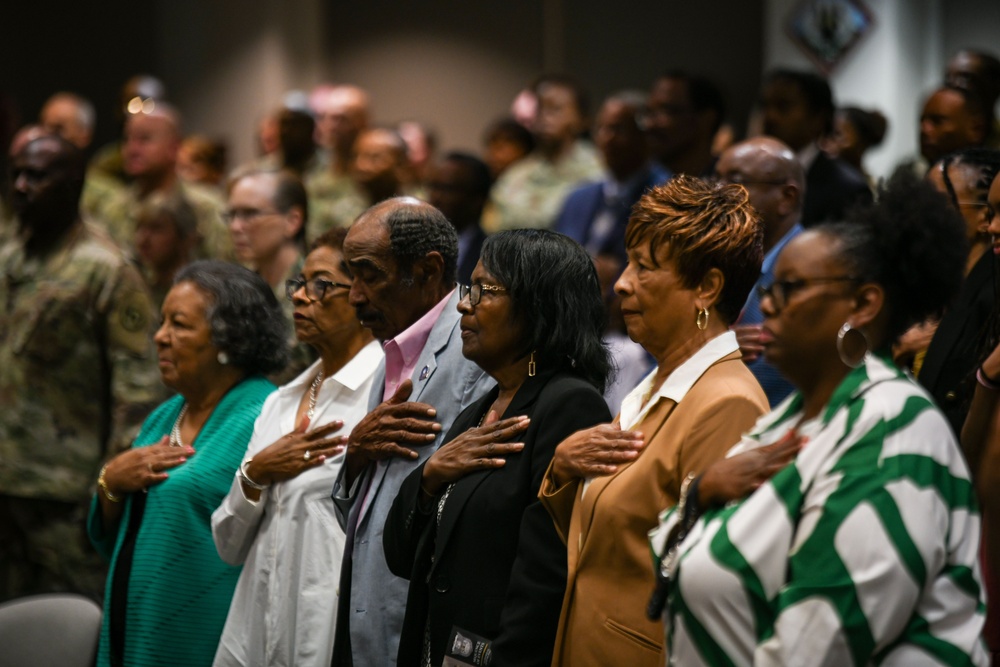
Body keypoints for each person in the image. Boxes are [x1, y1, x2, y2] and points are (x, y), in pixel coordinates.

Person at [651, 172, 986, 665]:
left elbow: (819, 645)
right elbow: (665, 562)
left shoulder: (894, 430)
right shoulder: (791, 417)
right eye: (768, 289)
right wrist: (700, 493)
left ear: (863, 304)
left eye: (789, 289)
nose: (766, 306)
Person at [539, 175, 769, 666]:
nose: (621, 282)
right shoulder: (653, 386)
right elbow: (601, 544)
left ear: (706, 288)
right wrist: (561, 470)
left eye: (644, 267)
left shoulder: (728, 403)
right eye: (628, 262)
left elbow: (712, 587)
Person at [384, 230, 613, 666]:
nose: (463, 304)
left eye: (484, 290)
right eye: (468, 289)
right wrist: (431, 476)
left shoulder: (569, 405)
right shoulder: (482, 409)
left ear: (538, 307)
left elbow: (546, 577)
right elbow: (400, 554)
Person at [87, 261, 289, 667]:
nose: (160, 337)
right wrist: (110, 480)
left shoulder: (264, 415)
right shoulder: (166, 416)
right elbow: (117, 531)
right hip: (135, 623)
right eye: (162, 323)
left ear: (228, 338)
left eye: (179, 325)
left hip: (203, 632)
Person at [332, 198, 493, 667]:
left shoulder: (475, 349)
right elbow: (357, 517)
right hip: (362, 603)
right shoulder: (391, 348)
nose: (354, 295)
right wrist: (355, 455)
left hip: (423, 618)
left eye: (369, 275)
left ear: (427, 270)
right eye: (351, 275)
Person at [0, 134, 162, 602]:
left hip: (65, 492)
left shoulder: (106, 268)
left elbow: (137, 392)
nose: (22, 186)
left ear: (72, 184)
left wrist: (108, 487)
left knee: (71, 624)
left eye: (37, 175)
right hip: (8, 483)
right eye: (16, 174)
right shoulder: (11, 256)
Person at [211, 229, 383, 667]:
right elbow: (228, 546)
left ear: (361, 294)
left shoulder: (382, 394)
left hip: (328, 626)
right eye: (299, 284)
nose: (302, 297)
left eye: (322, 284)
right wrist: (255, 474)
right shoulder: (280, 401)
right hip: (258, 621)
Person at [918, 148, 1000, 434]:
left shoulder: (991, 296)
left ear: (983, 217)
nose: (922, 214)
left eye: (937, 202)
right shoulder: (940, 285)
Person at [85, 104, 234, 262]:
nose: (132, 149)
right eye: (127, 140)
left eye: (145, 139)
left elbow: (228, 273)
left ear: (174, 148)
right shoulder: (113, 209)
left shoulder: (206, 208)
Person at [720, 136, 806, 406]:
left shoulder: (808, 273)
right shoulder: (717, 260)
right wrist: (715, 350)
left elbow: (770, 376)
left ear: (786, 198)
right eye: (715, 178)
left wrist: (712, 354)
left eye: (735, 180)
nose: (717, 193)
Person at [224, 167, 316, 382]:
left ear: (292, 221)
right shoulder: (238, 291)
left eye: (250, 214)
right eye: (232, 215)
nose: (236, 226)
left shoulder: (316, 290)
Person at [489, 74, 604, 231]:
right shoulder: (516, 175)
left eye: (555, 109)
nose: (544, 117)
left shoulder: (600, 171)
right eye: (539, 109)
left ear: (582, 119)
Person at [758, 69, 872, 226]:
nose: (770, 116)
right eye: (765, 106)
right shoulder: (753, 177)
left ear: (818, 117)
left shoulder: (847, 189)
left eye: (783, 106)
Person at [307, 85, 370, 238]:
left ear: (362, 122)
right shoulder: (314, 169)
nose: (331, 126)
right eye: (327, 118)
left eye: (341, 119)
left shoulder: (370, 171)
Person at [642, 71, 725, 180]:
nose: (649, 124)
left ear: (706, 119)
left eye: (667, 111)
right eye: (649, 112)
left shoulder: (728, 189)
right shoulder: (645, 185)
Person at [425, 152, 491, 284]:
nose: (435, 197)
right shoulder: (414, 245)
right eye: (433, 187)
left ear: (477, 199)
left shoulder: (491, 256)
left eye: (447, 189)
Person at [133, 190, 199, 311]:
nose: (143, 240)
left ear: (185, 238)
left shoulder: (198, 294)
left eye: (156, 229)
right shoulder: (139, 287)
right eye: (140, 227)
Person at [826, 106, 888, 187]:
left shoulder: (868, 189)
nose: (826, 142)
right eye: (827, 133)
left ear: (861, 143)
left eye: (838, 134)